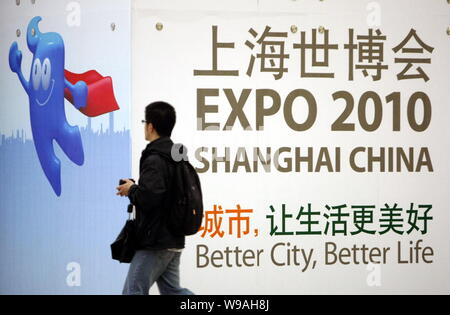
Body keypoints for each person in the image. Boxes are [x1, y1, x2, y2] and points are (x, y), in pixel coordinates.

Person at [116, 101, 194, 295]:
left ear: (150, 126)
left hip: (155, 241)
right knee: (173, 292)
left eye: (145, 122)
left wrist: (132, 189)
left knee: (133, 292)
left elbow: (151, 198)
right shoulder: (176, 156)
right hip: (174, 238)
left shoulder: (155, 158)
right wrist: (135, 188)